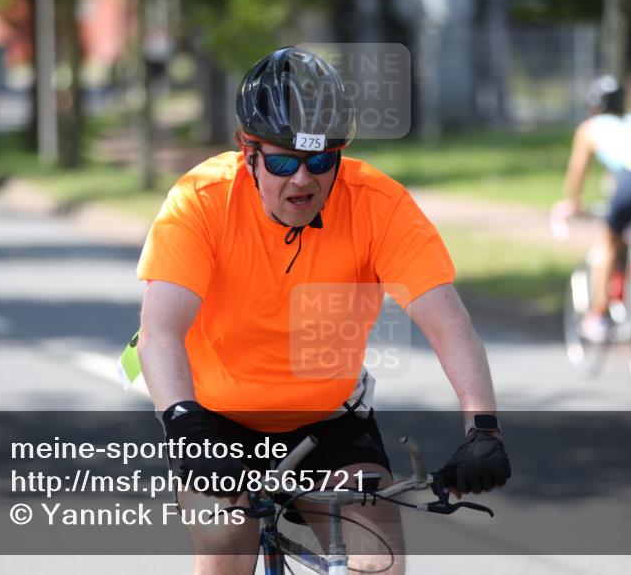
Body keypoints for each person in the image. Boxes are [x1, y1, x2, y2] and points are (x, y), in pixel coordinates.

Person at [136, 46, 510, 575]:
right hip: (214, 420)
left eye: (321, 161)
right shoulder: (201, 199)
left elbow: (449, 325)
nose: (302, 180)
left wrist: (484, 429)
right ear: (248, 152)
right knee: (225, 543)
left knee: (379, 558)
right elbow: (159, 332)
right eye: (284, 160)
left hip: (328, 420)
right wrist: (182, 420)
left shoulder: (377, 203)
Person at [554, 75, 631, 344]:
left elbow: (578, 172)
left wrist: (573, 202)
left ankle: (597, 316)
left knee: (608, 241)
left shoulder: (590, 128)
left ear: (593, 106)